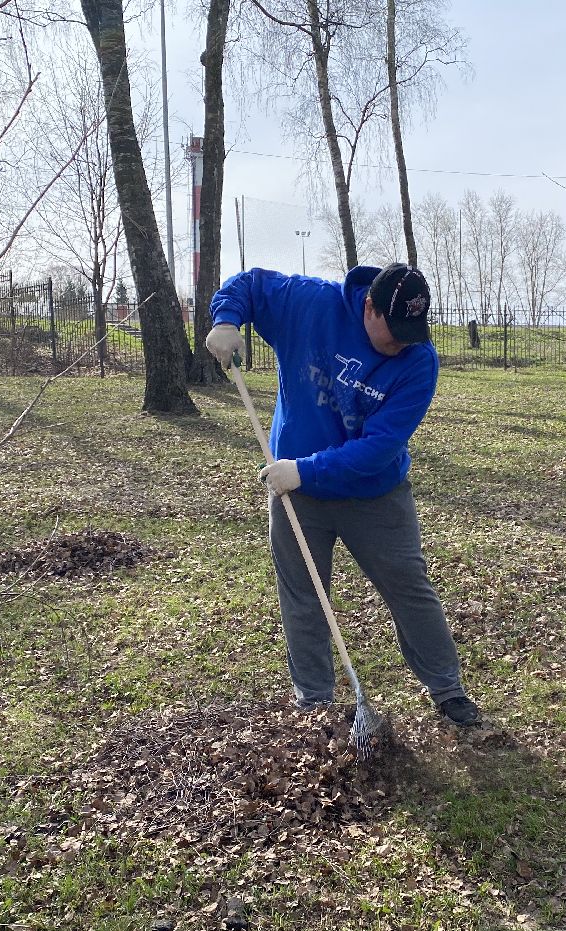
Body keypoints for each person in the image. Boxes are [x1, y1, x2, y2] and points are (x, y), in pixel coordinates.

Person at [205, 262, 480, 727]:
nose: (401, 343)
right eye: (394, 331)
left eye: (410, 333)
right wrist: (227, 319)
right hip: (296, 494)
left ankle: (448, 690)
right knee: (303, 596)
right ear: (369, 306)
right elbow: (251, 284)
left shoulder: (419, 360)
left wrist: (305, 471)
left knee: (409, 588)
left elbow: (377, 449)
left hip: (373, 493)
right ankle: (314, 702)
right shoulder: (311, 303)